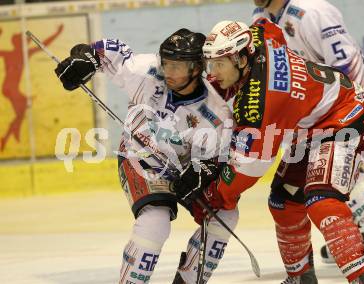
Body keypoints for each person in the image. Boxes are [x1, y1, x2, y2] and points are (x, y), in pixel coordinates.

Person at [173, 19, 364, 284]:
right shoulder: (257, 38)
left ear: (242, 59)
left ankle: (362, 277)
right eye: (211, 63)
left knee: (322, 200)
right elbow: (267, 26)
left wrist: (215, 196)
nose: (213, 72)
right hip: (313, 123)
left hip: (344, 118)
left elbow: (250, 167)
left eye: (220, 64)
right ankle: (300, 278)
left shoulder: (258, 105)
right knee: (283, 202)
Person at [54, 29, 238, 284]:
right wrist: (83, 60)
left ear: (197, 68)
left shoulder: (216, 114)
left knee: (226, 217)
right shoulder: (147, 70)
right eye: (166, 63)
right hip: (140, 159)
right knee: (155, 221)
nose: (169, 72)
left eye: (178, 66)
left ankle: (188, 280)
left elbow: (214, 159)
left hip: (183, 169)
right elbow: (104, 51)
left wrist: (199, 175)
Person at [252, 0, 364, 279]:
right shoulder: (261, 15)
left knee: (341, 174)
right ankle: (361, 235)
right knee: (322, 175)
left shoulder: (313, 12)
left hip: (345, 101)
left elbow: (346, 62)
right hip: (311, 108)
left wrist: (349, 109)